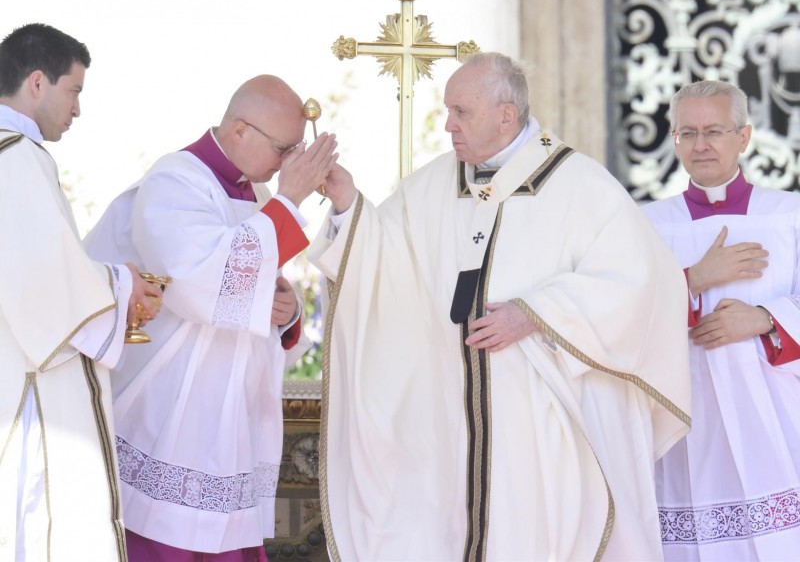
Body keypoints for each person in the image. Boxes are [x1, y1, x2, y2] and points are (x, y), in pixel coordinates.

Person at [310, 51, 692, 561]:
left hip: (538, 418)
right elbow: (385, 263)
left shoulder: (579, 184)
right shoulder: (433, 184)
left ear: (506, 115)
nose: (448, 125)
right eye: (448, 111)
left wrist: (535, 313)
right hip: (450, 417)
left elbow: (641, 281)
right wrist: (346, 204)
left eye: (461, 112)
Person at [82, 74, 338, 561]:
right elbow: (200, 284)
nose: (290, 162)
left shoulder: (254, 193)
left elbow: (252, 288)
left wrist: (284, 312)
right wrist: (290, 198)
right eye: (285, 148)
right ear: (240, 130)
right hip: (171, 415)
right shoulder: (174, 180)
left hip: (226, 420)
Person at [0, 23, 162, 560]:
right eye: (74, 91)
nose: (77, 109)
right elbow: (47, 284)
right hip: (22, 387)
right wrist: (125, 283)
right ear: (38, 82)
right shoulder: (16, 158)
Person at [643, 80, 800, 559]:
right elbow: (621, 314)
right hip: (688, 416)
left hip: (774, 414)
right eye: (687, 133)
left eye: (714, 130)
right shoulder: (645, 224)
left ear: (744, 136)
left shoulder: (789, 215)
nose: (700, 144)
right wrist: (691, 280)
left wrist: (766, 319)